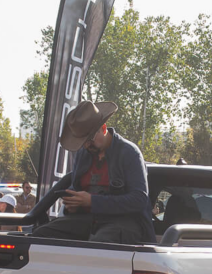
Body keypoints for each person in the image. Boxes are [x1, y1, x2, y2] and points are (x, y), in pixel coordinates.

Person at [30, 100, 156, 244]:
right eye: (82, 141)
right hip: (87, 220)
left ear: (103, 128)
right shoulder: (83, 154)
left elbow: (139, 200)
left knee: (98, 245)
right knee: (41, 235)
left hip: (123, 223)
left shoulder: (129, 153)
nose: (86, 145)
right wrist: (73, 203)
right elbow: (76, 187)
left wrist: (92, 201)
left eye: (89, 139)